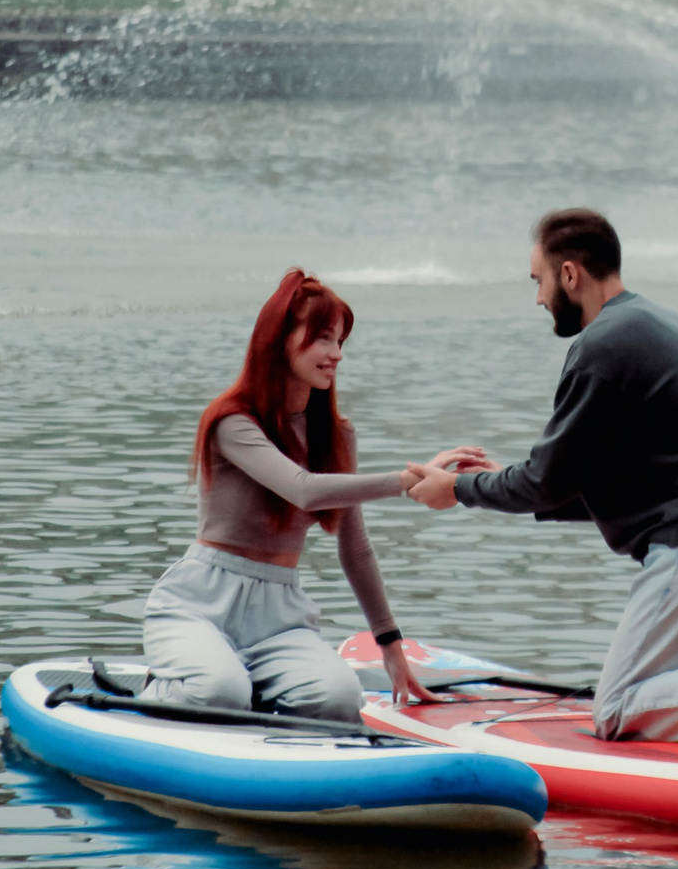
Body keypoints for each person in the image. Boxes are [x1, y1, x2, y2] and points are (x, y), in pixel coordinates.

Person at [404, 208, 678, 746]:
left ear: (569, 274)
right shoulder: (655, 325)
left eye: (538, 280)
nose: (538, 298)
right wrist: (505, 482)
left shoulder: (602, 344)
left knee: (615, 710)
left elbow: (545, 482)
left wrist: (456, 489)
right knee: (672, 693)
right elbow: (598, 486)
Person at [137, 268, 461, 718]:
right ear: (280, 340)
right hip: (200, 605)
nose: (337, 354)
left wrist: (390, 646)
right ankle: (164, 689)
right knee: (219, 691)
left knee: (338, 699)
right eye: (323, 338)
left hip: (279, 616)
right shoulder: (232, 422)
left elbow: (356, 548)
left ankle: (249, 691)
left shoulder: (337, 437)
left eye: (340, 341)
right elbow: (303, 490)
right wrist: (407, 480)